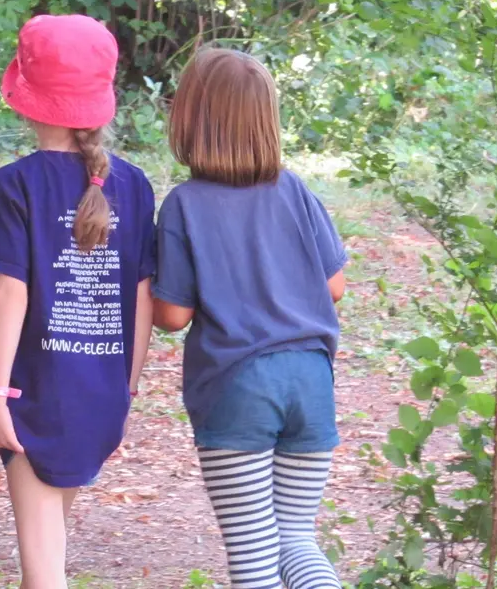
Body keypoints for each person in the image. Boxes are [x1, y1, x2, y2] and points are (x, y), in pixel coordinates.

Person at [0, 14, 156, 589]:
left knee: (45, 574)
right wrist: (127, 386)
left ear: (25, 96)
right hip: (100, 394)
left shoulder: (12, 185)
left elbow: (10, 292)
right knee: (48, 557)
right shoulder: (136, 185)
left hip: (35, 396)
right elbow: (142, 295)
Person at [153, 48, 347, 589]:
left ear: (191, 120)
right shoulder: (296, 189)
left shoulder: (184, 204)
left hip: (237, 385)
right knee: (297, 538)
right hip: (310, 378)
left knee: (254, 553)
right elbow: (335, 285)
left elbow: (173, 314)